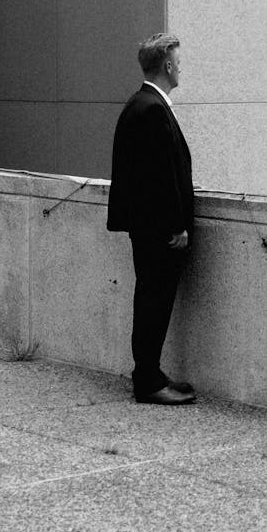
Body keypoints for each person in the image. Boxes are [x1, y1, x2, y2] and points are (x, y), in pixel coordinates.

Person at [107, 32, 195, 405]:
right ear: (168, 66)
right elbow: (160, 177)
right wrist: (175, 226)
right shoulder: (152, 109)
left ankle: (151, 374)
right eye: (178, 60)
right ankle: (148, 380)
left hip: (147, 227)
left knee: (150, 299)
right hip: (160, 231)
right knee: (153, 302)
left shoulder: (139, 105)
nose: (182, 67)